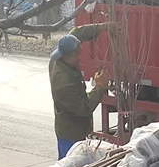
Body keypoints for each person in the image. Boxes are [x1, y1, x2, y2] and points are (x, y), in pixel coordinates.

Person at [49, 23, 115, 159]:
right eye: (76, 55)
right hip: (70, 133)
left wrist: (103, 27)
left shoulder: (60, 57)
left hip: (78, 128)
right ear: (66, 57)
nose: (79, 57)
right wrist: (100, 87)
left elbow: (77, 32)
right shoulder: (63, 83)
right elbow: (84, 108)